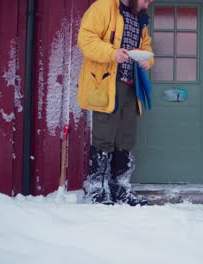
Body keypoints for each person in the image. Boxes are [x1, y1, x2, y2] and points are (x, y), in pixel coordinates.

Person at [77, 0, 154, 205]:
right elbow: (86, 39)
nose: (147, 5)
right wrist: (112, 53)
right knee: (104, 138)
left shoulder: (139, 16)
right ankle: (98, 191)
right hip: (106, 84)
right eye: (146, 0)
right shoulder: (103, 7)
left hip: (131, 86)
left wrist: (148, 60)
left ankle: (121, 191)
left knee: (125, 140)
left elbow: (145, 46)